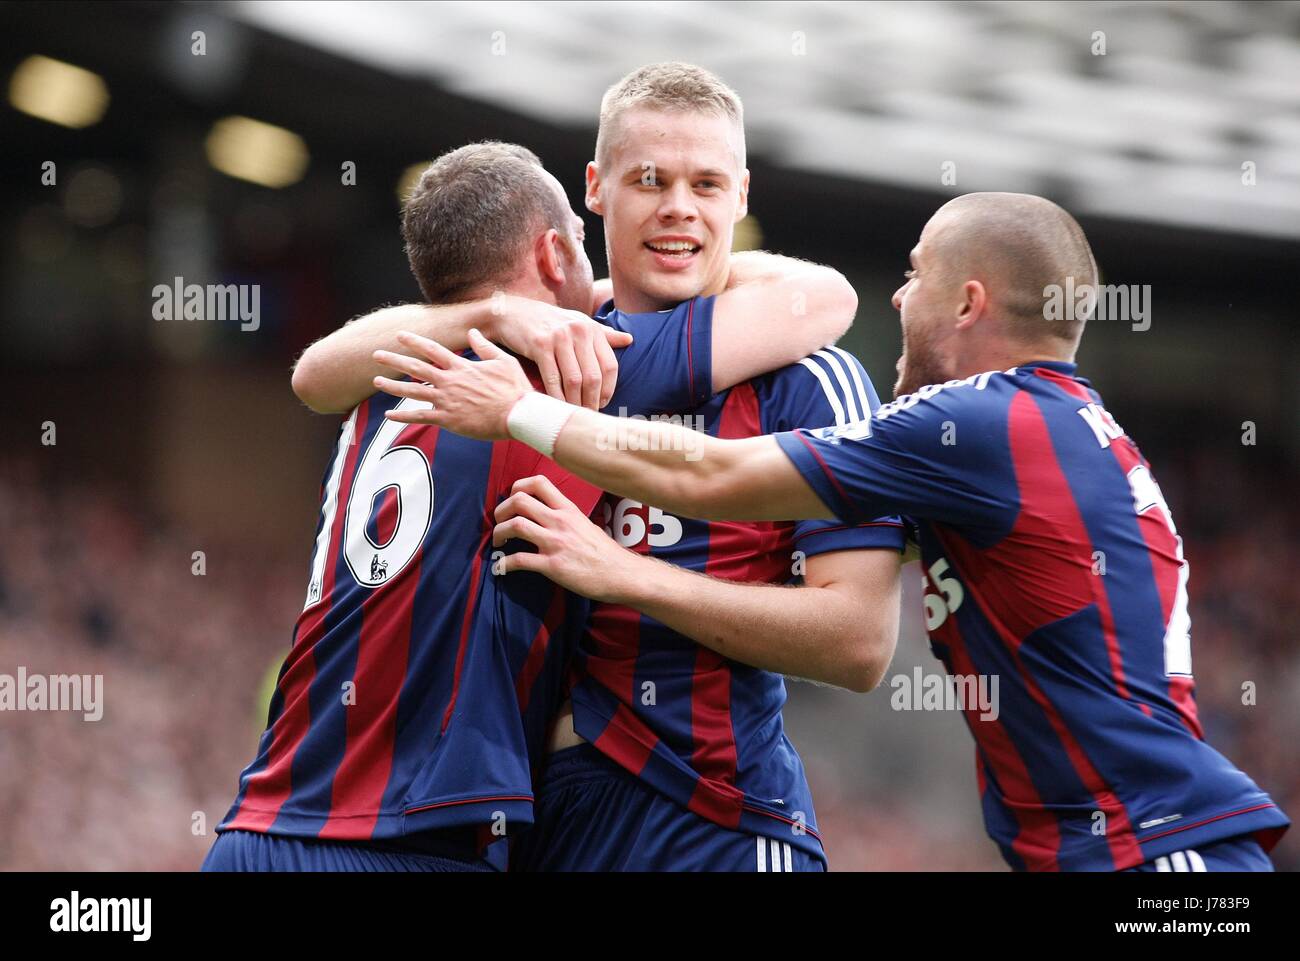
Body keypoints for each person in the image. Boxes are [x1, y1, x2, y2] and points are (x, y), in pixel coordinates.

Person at [379, 191, 1290, 871]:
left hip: (1159, 859)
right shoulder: (1051, 428)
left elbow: (715, 473)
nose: (895, 299)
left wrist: (523, 414)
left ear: (968, 303)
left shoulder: (979, 424)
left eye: (913, 274)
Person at [300, 63, 904, 871]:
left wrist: (627, 574)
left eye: (707, 183)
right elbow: (318, 375)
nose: (679, 207)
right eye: (650, 179)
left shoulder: (806, 376)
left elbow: (859, 643)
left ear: (743, 196)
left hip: (713, 818)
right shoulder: (547, 348)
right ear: (595, 187)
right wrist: (486, 311)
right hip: (538, 822)